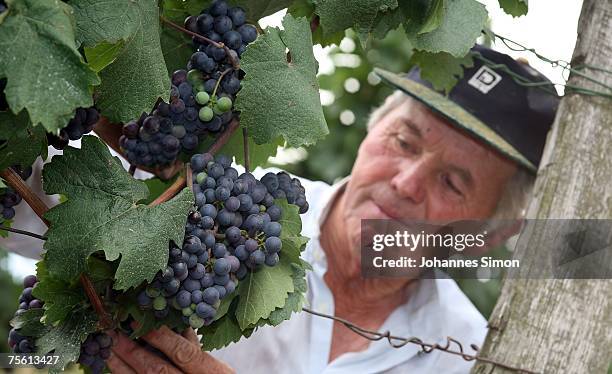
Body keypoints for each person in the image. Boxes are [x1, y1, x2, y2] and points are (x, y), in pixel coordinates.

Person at [4, 45, 559, 373]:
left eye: (454, 183)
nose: (407, 182)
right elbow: (26, 198)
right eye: (405, 141)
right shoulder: (210, 203)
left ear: (489, 234)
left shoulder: (468, 357)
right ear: (370, 134)